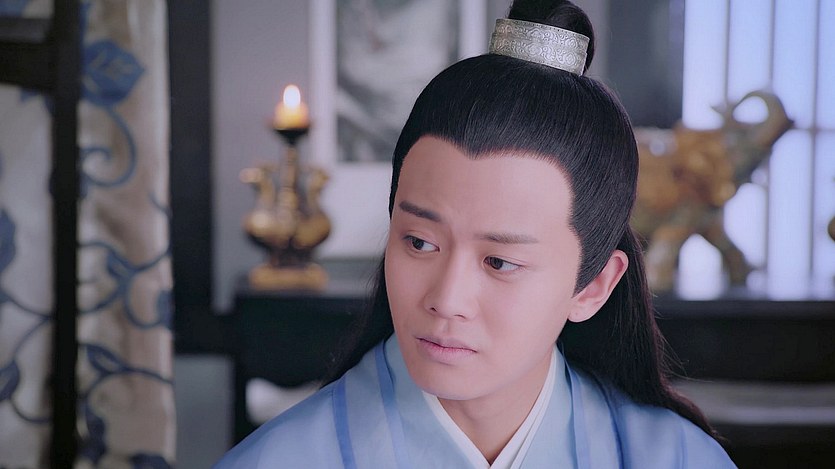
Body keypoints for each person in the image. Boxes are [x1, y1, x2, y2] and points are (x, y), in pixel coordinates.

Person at [215, 0, 737, 467]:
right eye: (419, 242)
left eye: (500, 262)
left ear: (593, 285)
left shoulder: (679, 459)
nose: (447, 299)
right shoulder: (277, 460)